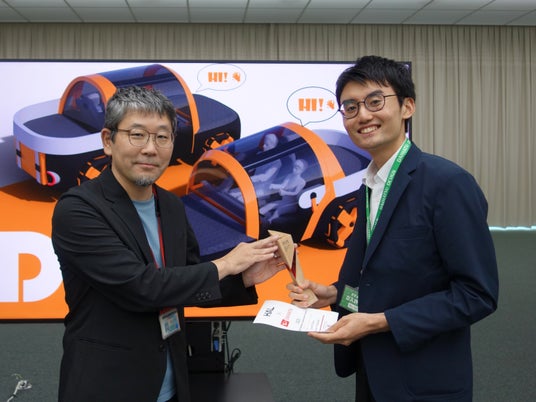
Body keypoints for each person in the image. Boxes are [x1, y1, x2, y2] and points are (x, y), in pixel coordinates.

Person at [51, 86, 284, 402]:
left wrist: (243, 278)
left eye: (162, 137)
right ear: (108, 140)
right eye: (137, 135)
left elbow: (186, 279)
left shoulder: (172, 205)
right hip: (107, 385)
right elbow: (140, 286)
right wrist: (226, 264)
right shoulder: (78, 209)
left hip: (170, 383)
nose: (151, 149)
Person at [288, 56, 499, 402]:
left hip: (424, 380)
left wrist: (378, 322)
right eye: (351, 107)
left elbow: (477, 295)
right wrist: (333, 294)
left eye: (375, 101)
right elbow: (380, 278)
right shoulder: (368, 184)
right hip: (373, 371)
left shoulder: (447, 183)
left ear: (407, 107)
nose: (362, 115)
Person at [259, 158, 308, 223]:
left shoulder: (302, 182)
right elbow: (283, 185)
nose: (295, 168)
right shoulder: (289, 176)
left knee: (278, 211)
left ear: (303, 170)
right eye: (294, 165)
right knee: (268, 206)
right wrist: (272, 185)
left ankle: (268, 223)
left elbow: (296, 193)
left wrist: (285, 192)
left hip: (291, 204)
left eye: (298, 167)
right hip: (283, 201)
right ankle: (256, 218)